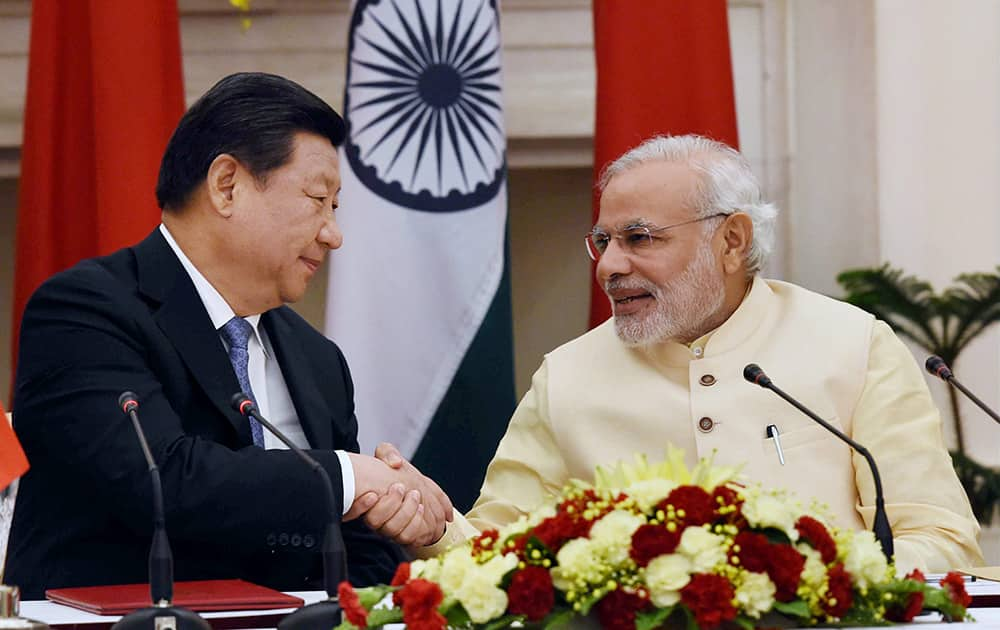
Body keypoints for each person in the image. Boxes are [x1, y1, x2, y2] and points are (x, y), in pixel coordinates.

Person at [410, 134, 983, 573]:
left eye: (640, 239)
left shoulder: (854, 344)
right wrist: (434, 526)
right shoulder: (567, 375)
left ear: (731, 240)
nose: (609, 267)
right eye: (603, 241)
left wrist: (809, 584)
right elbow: (500, 553)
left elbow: (941, 538)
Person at [4, 72, 451, 598]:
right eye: (317, 199)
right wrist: (350, 478)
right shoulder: (84, 312)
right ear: (227, 185)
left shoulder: (318, 360)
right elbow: (161, 481)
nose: (334, 234)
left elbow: (357, 550)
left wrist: (394, 519)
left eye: (336, 208)